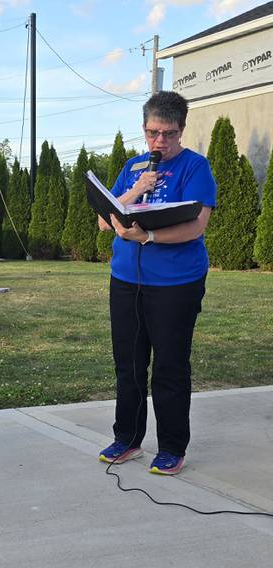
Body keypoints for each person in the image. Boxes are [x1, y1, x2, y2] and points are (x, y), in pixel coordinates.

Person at [97, 91, 216, 475]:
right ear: (144, 129)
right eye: (152, 133)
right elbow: (105, 221)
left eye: (168, 134)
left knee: (169, 365)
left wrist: (148, 238)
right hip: (126, 278)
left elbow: (196, 226)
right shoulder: (134, 167)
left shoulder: (195, 168)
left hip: (176, 282)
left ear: (182, 130)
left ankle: (172, 447)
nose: (159, 142)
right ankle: (128, 438)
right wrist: (136, 189)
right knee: (128, 363)